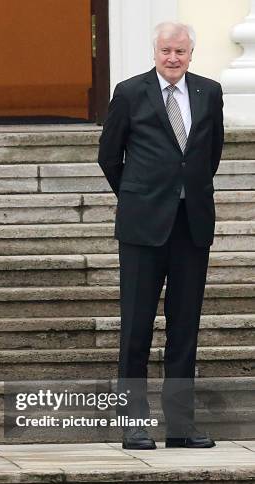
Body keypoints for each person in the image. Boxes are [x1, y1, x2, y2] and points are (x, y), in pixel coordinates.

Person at [98, 22, 224, 450]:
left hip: (192, 226)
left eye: (181, 51)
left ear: (192, 53)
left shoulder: (209, 92)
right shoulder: (130, 92)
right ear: (156, 51)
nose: (174, 58)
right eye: (167, 50)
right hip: (142, 228)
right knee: (136, 326)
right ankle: (133, 421)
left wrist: (184, 195)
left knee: (185, 327)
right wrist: (140, 197)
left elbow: (211, 154)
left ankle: (181, 425)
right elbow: (109, 156)